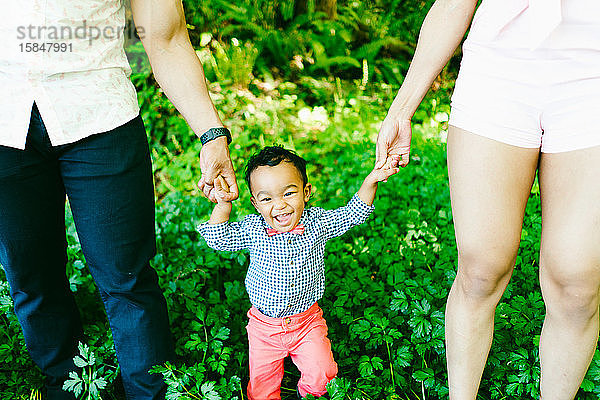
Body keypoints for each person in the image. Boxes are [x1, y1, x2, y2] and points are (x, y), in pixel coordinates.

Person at [0, 0, 238, 399]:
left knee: (127, 278)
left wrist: (211, 133)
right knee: (31, 278)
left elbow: (167, 36)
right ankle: (67, 387)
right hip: (4, 127)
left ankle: (150, 393)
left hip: (101, 115)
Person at [375, 0, 600, 398]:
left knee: (578, 285)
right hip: (499, 71)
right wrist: (402, 107)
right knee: (481, 269)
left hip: (592, 75)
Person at [196, 146, 398, 399]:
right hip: (264, 327)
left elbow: (352, 214)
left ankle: (311, 393)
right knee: (261, 390)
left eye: (289, 193)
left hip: (307, 323)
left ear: (306, 192)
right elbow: (219, 239)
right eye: (267, 198)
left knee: (322, 375)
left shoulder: (317, 222)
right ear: (255, 203)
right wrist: (224, 205)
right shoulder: (253, 229)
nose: (279, 205)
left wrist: (371, 181)